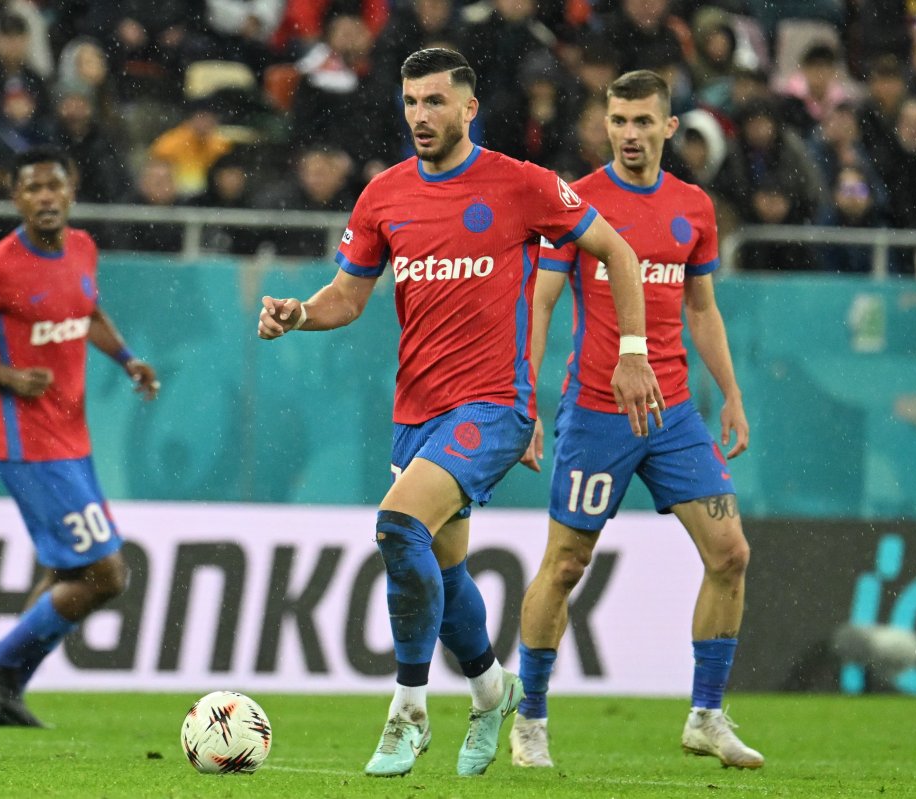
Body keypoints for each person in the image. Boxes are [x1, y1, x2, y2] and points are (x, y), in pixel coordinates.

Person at [257, 48, 658, 778]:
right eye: (411, 101)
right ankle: (491, 691)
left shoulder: (520, 183)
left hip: (495, 406)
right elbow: (347, 297)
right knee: (443, 572)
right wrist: (300, 313)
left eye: (435, 101)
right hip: (416, 412)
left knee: (397, 524)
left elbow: (618, 251)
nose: (420, 115)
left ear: (469, 108)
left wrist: (633, 351)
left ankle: (408, 711)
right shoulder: (383, 195)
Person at [512, 70, 764, 770]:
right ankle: (529, 718)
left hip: (674, 414)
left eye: (642, 121)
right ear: (606, 124)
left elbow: (702, 310)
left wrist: (732, 394)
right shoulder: (577, 201)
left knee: (731, 553)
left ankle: (706, 715)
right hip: (597, 412)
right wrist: (525, 398)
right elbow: (541, 301)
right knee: (566, 564)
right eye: (618, 120)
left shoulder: (694, 207)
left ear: (668, 127)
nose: (629, 133)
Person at [0, 146, 159, 728]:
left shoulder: (83, 248)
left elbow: (88, 313)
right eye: (33, 188)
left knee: (66, 574)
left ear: (71, 191)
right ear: (17, 199)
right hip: (29, 448)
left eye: (54, 185)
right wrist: (7, 376)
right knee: (106, 574)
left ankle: (5, 696)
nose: (46, 197)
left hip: (74, 443)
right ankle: (1, 660)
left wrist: (127, 359)